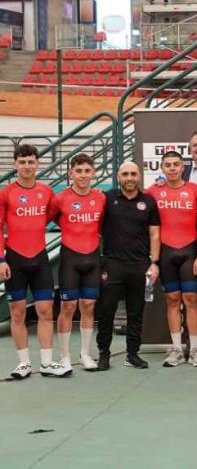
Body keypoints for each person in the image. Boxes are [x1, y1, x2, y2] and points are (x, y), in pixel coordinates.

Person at [0, 144, 67, 378]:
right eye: (22, 162)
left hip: (39, 258)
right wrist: (1, 260)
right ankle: (24, 364)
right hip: (14, 259)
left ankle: (47, 363)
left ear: (38, 164)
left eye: (31, 162)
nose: (27, 166)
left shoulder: (46, 192)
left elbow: (58, 214)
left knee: (45, 311)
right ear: (15, 165)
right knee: (17, 313)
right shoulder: (5, 194)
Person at [146, 151, 197, 367]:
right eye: (168, 165)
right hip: (166, 254)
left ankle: (195, 349)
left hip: (190, 252)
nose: (172, 168)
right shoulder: (153, 191)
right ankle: (176, 350)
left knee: (191, 300)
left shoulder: (195, 190)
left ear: (183, 167)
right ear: (162, 168)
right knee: (172, 301)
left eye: (176, 164)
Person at [95, 161, 160, 371]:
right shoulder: (107, 199)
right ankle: (104, 354)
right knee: (106, 311)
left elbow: (154, 234)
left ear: (139, 176)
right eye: (125, 174)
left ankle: (132, 354)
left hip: (140, 265)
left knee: (136, 312)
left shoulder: (148, 202)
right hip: (112, 264)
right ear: (118, 177)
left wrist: (154, 263)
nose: (129, 178)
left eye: (133, 174)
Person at [48, 154, 106, 373]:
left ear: (94, 173)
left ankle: (85, 354)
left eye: (87, 171)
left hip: (92, 257)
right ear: (70, 173)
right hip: (70, 258)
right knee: (68, 307)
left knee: (88, 306)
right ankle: (64, 356)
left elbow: (103, 225)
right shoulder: (60, 198)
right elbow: (50, 218)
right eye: (78, 171)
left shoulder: (100, 198)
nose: (83, 175)